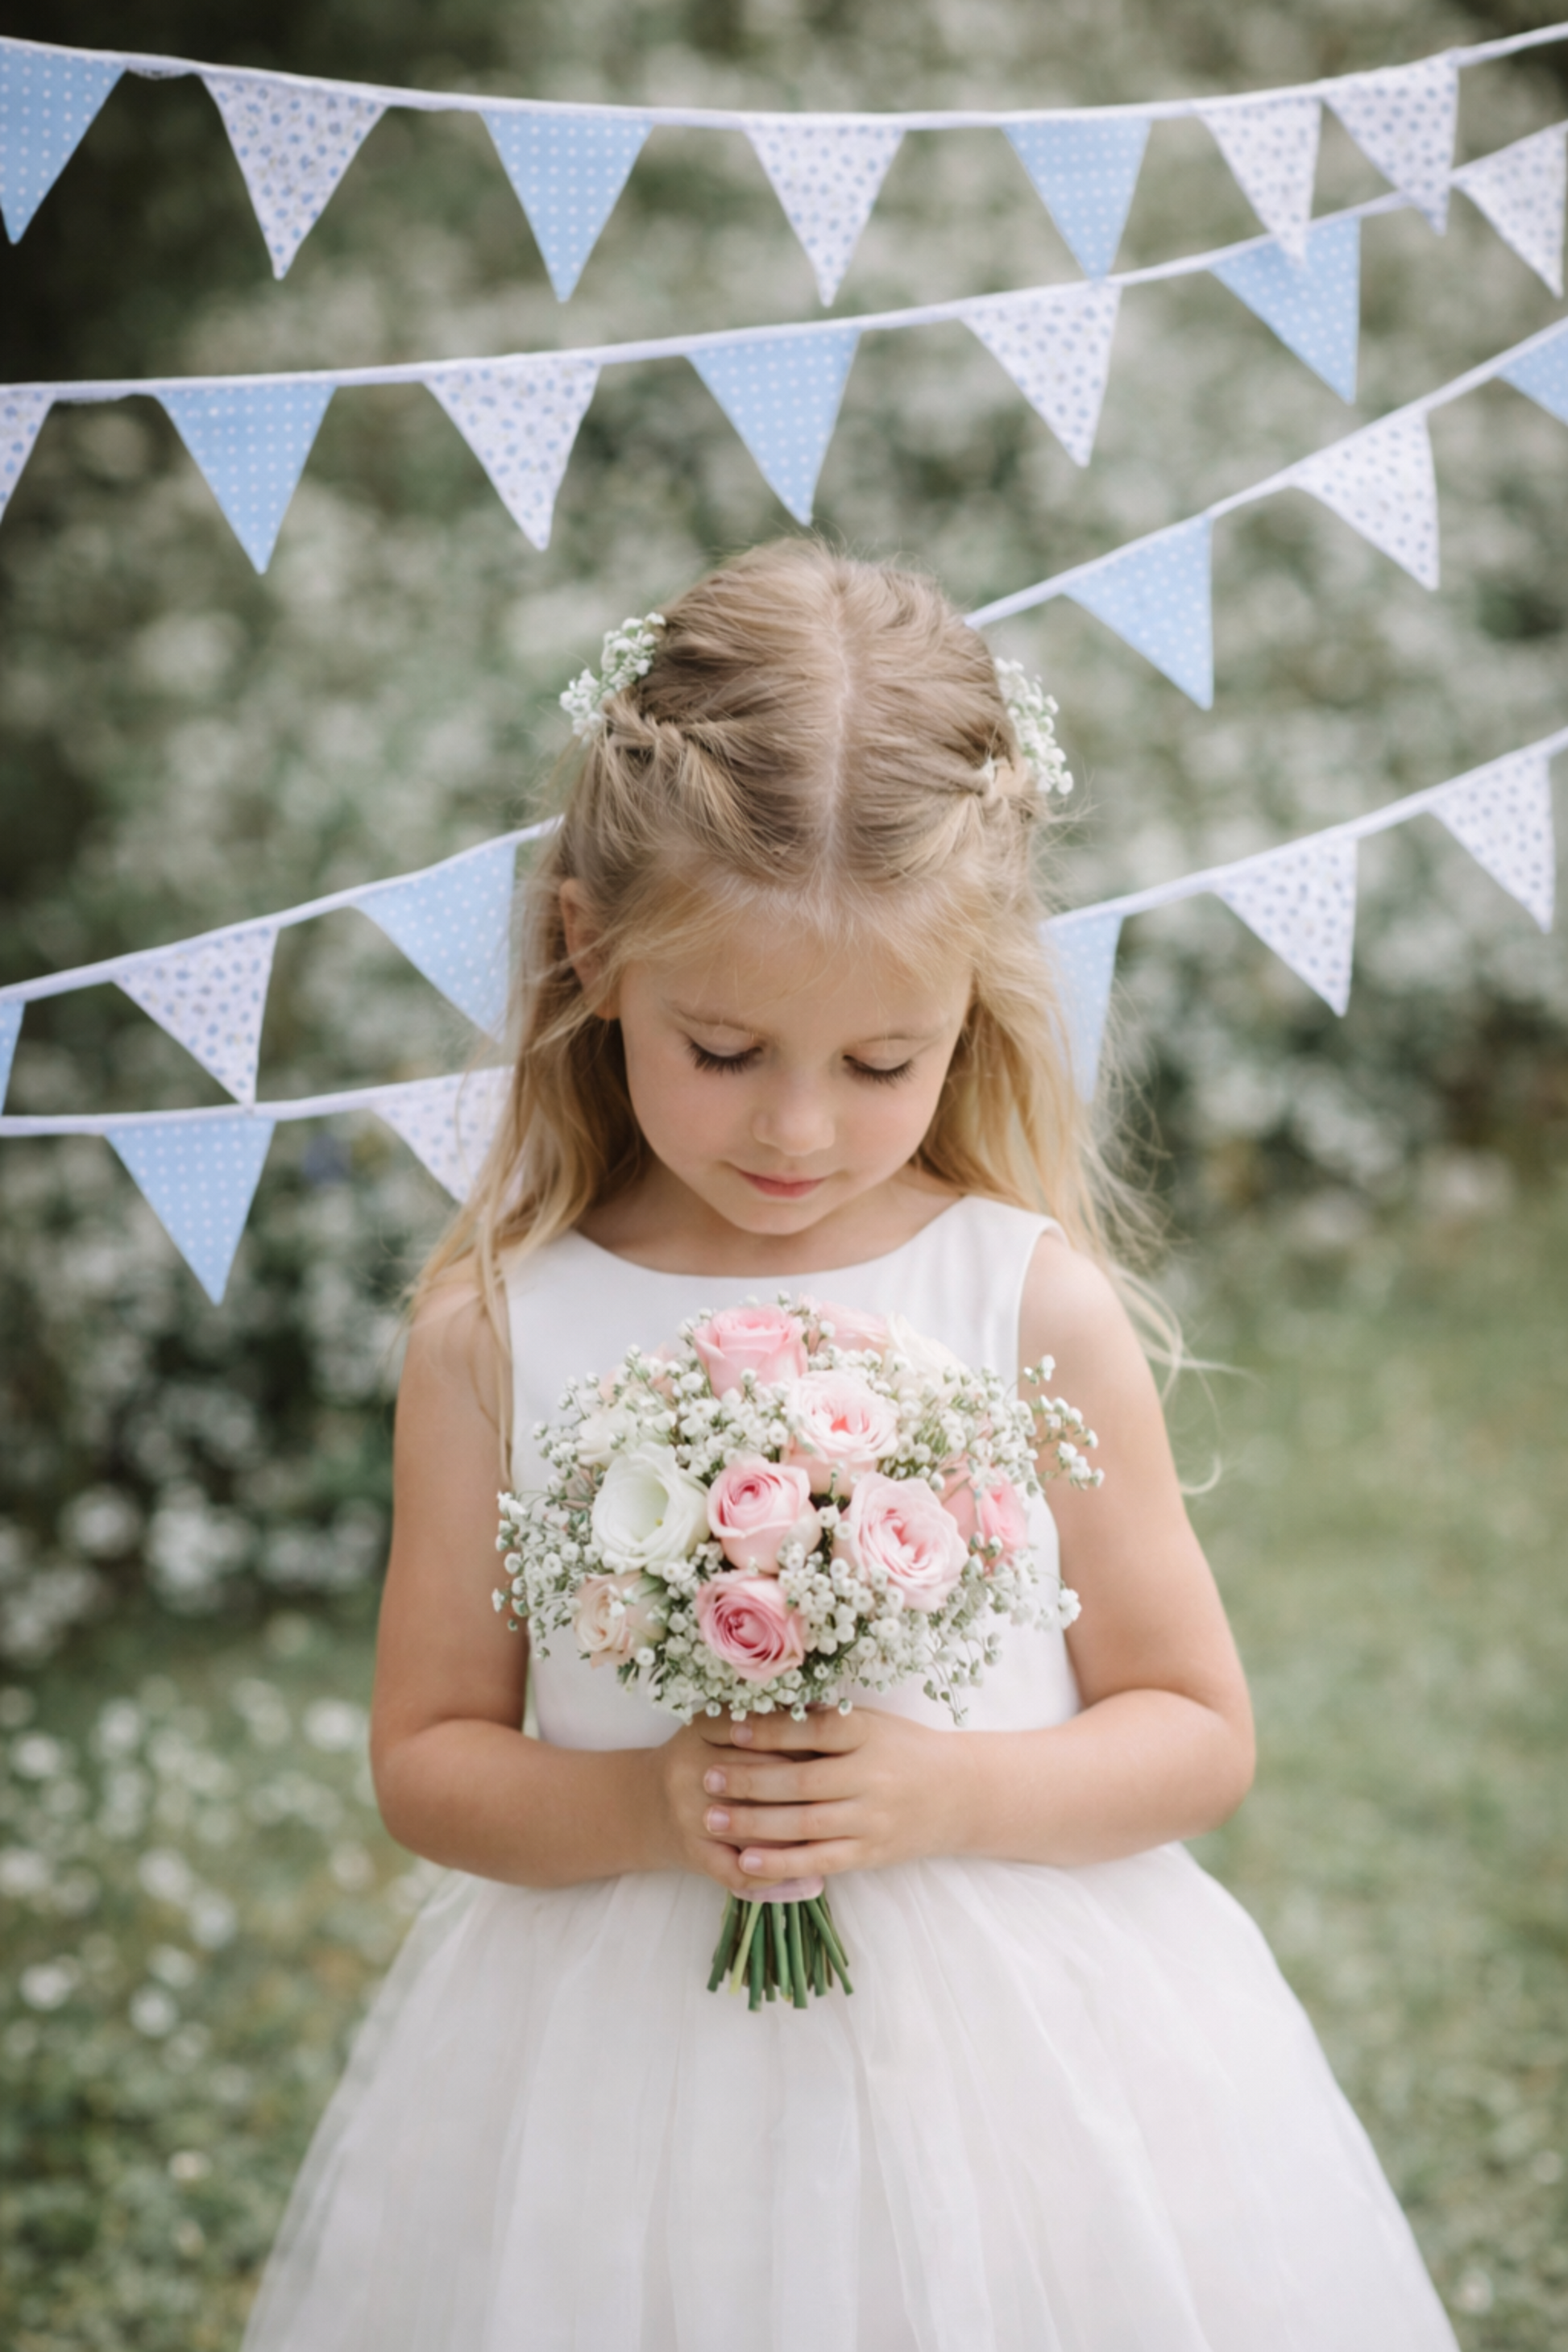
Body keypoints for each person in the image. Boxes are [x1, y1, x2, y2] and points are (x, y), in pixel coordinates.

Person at [242, 541, 1459, 2350]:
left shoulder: (1023, 1299)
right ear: (591, 947)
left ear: (975, 999)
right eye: (723, 1045)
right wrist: (651, 1806)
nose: (800, 1128)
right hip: (613, 2064)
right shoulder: (498, 1333)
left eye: (883, 1062)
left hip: (1024, 2053)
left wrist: (940, 1791)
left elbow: (1196, 1730)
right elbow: (431, 1758)